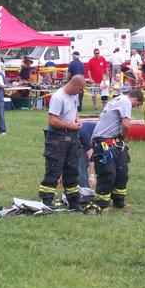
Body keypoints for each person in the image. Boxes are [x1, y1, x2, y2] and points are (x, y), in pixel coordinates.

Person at [90, 89, 144, 211]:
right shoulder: (126, 102)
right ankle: (102, 204)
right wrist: (125, 136)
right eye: (137, 105)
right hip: (104, 141)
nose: (135, 107)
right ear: (135, 100)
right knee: (107, 174)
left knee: (122, 172)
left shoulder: (117, 99)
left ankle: (119, 202)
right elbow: (126, 124)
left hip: (114, 141)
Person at [38, 75, 87, 210]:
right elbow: (52, 120)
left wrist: (77, 119)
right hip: (57, 138)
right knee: (54, 169)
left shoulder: (74, 95)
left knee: (72, 171)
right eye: (80, 89)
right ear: (74, 85)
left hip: (72, 138)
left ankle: (74, 202)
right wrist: (70, 126)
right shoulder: (58, 98)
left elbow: (75, 109)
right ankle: (47, 201)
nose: (81, 92)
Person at [77, 121, 97, 188]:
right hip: (86, 140)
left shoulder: (83, 135)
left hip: (100, 138)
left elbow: (91, 157)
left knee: (81, 165)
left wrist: (91, 175)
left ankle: (85, 190)